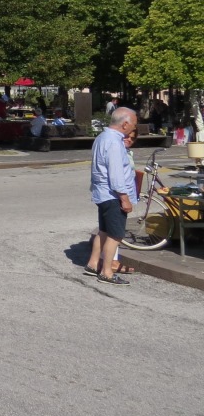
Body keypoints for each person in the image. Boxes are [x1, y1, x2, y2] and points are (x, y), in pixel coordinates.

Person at [88, 107, 138, 285]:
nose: (133, 128)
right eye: (133, 124)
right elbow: (116, 176)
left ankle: (93, 264)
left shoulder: (103, 137)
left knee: (103, 231)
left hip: (102, 192)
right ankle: (107, 272)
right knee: (115, 235)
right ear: (125, 124)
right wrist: (125, 199)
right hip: (112, 195)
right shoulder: (115, 142)